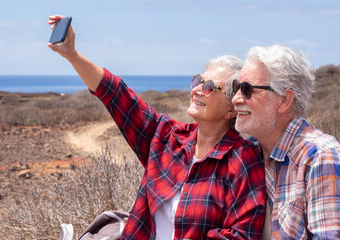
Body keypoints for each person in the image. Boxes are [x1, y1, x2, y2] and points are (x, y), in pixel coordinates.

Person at [48, 15, 266, 239]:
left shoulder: (241, 160)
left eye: (210, 87)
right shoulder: (167, 138)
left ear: (232, 109)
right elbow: (117, 95)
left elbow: (241, 234)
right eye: (198, 81)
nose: (198, 89)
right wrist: (72, 54)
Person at [231, 44, 340, 239]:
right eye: (236, 88)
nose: (236, 99)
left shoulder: (320, 157)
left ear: (284, 100)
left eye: (247, 89)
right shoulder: (248, 154)